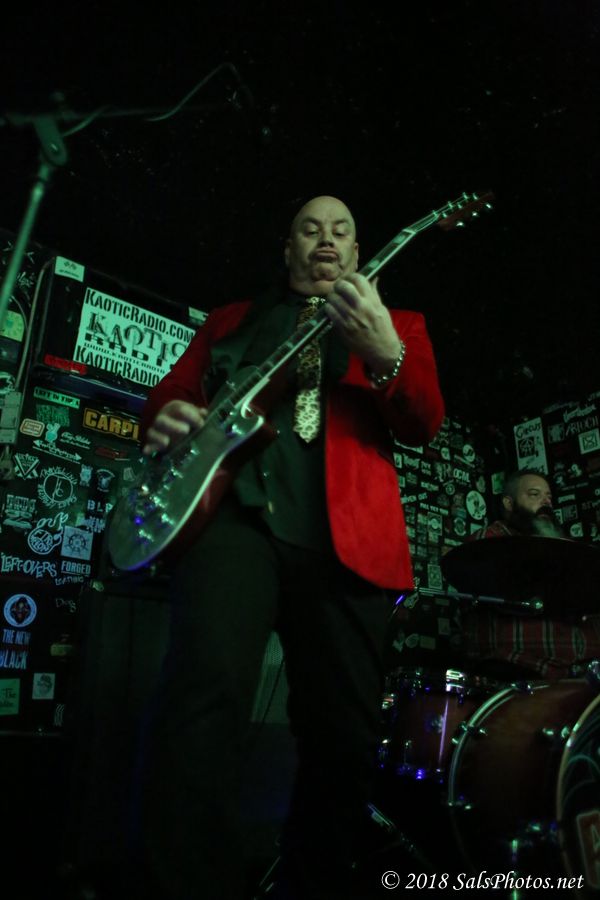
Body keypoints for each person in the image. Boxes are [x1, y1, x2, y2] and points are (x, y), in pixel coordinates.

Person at [127, 195, 445, 900]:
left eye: (341, 231)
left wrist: (385, 353)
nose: (325, 239)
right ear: (289, 249)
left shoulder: (401, 323)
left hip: (349, 544)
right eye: (310, 228)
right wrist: (165, 413)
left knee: (344, 737)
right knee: (200, 697)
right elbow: (172, 390)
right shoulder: (229, 320)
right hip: (235, 520)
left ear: (357, 254)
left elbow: (424, 422)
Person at [461, 468, 600, 681]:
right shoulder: (491, 539)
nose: (546, 502)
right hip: (521, 667)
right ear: (509, 503)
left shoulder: (566, 545)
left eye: (549, 497)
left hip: (585, 673)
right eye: (534, 494)